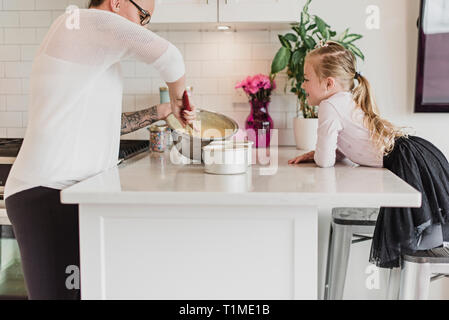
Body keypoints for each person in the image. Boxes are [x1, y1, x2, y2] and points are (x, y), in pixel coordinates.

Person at [4, 0, 196, 299]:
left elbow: (108, 124)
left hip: (67, 194)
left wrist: (164, 111)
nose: (142, 26)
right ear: (117, 3)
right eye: (143, 16)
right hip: (46, 194)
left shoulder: (92, 49)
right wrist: (179, 99)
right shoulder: (81, 21)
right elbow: (171, 58)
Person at [288, 41, 449, 269]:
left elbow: (325, 162)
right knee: (424, 230)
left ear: (328, 83)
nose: (303, 85)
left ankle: (422, 266)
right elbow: (342, 151)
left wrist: (318, 155)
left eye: (306, 79)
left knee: (418, 239)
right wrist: (317, 152)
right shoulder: (345, 99)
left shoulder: (330, 106)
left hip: (405, 160)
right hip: (413, 152)